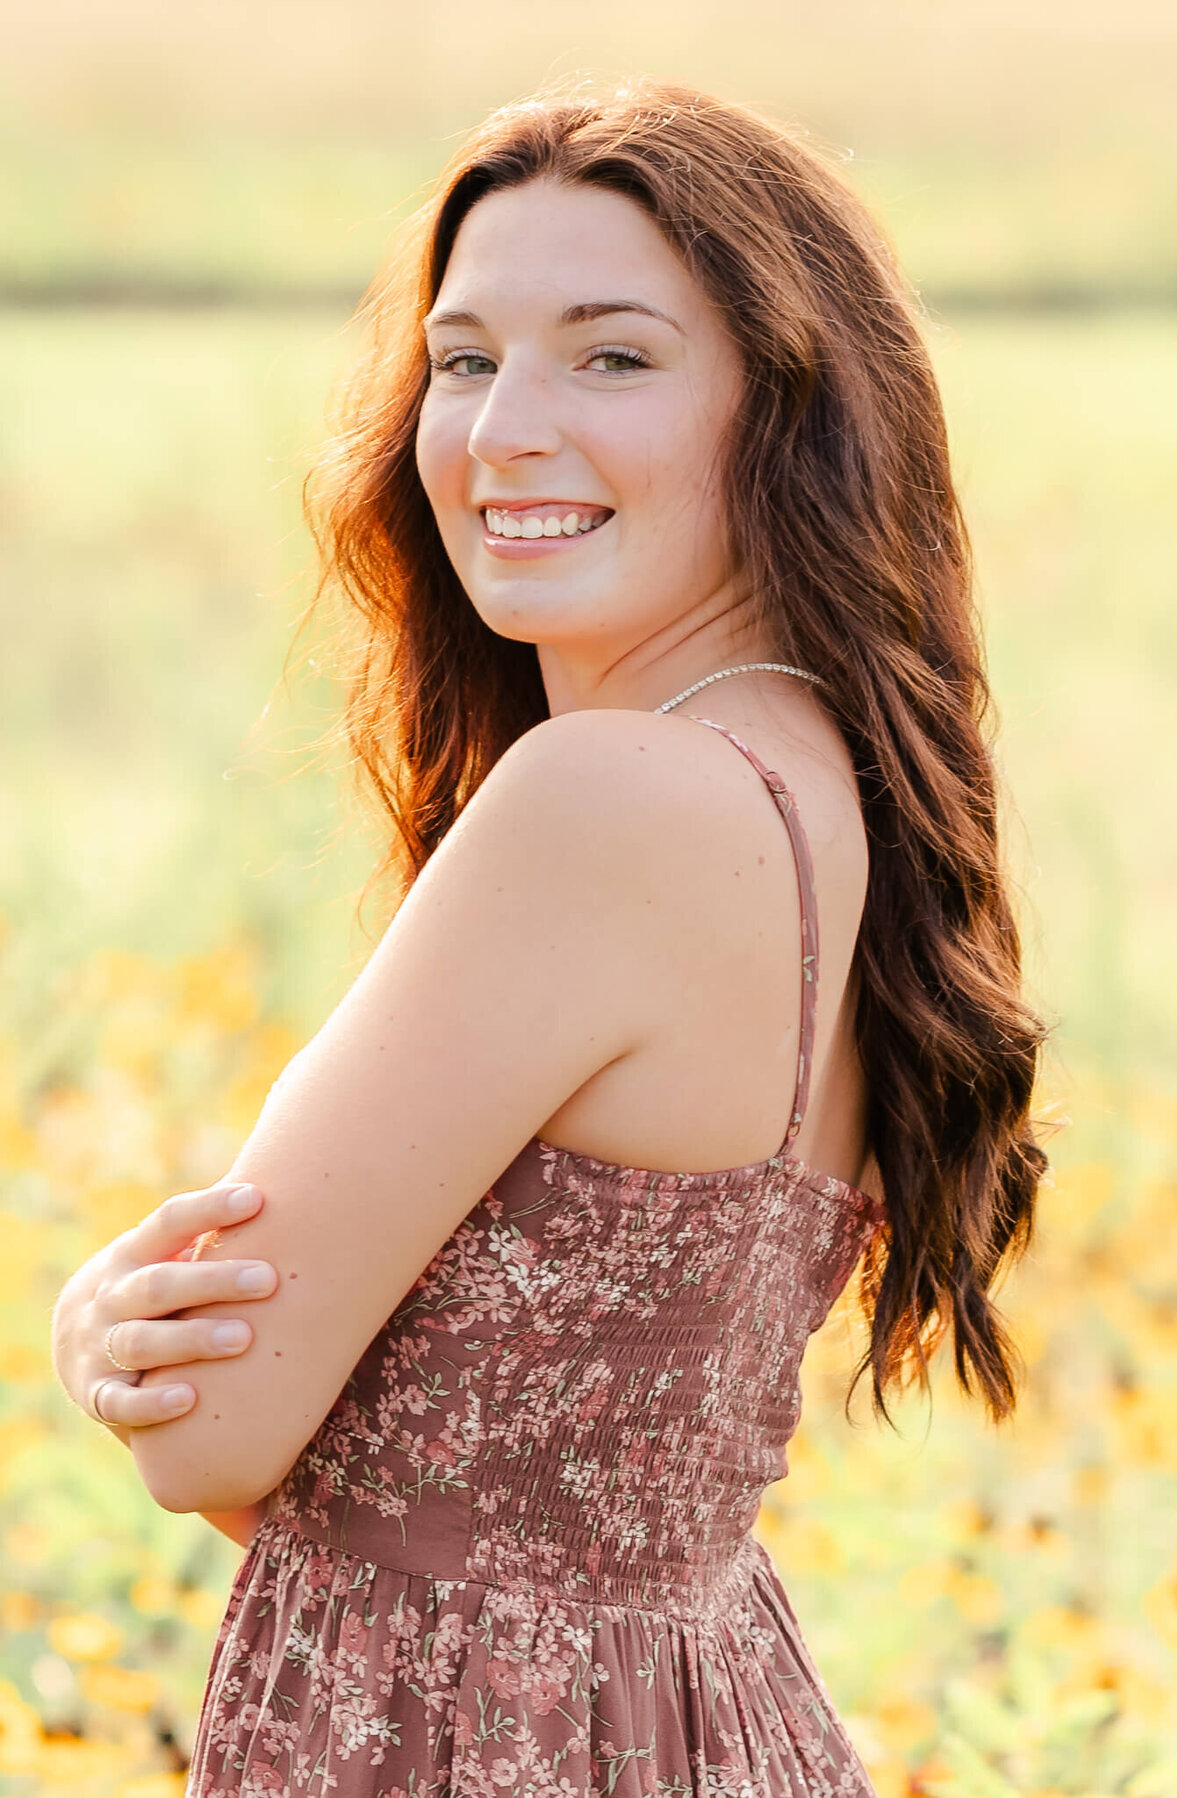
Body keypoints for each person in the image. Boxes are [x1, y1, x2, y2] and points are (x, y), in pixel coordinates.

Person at [51, 75, 1050, 1798]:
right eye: (461, 357)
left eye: (613, 356)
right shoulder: (824, 784)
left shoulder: (605, 802)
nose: (504, 426)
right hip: (687, 1708)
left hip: (476, 1745)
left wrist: (99, 1319)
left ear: (785, 411)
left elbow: (216, 1429)